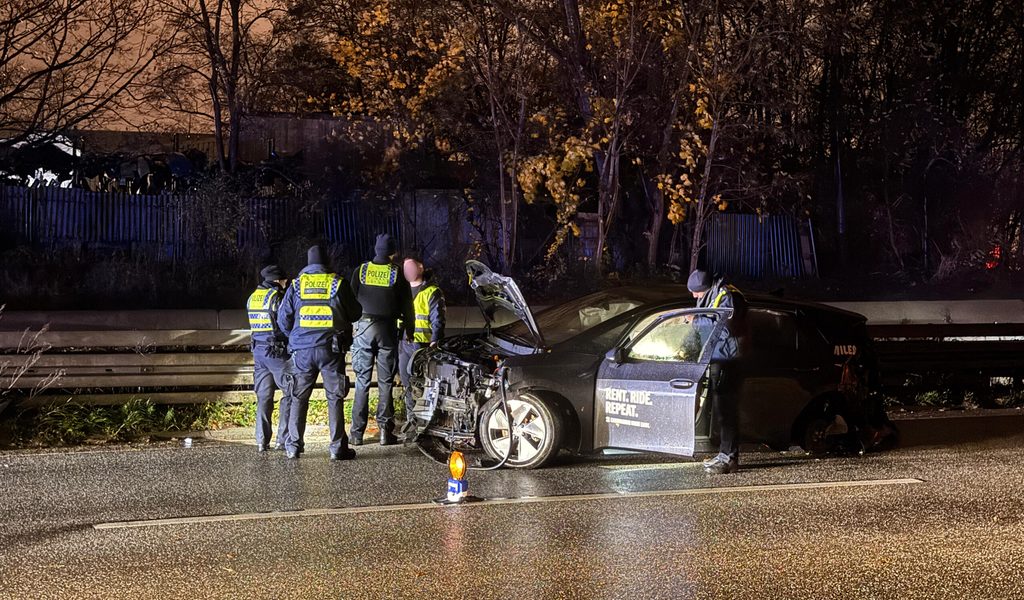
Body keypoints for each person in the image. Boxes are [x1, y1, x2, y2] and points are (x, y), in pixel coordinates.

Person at [277, 245, 362, 460]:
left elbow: (283, 319)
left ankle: (293, 446)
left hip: (302, 352)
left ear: (308, 263)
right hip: (331, 350)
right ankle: (337, 448)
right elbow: (355, 313)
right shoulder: (338, 283)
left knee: (298, 397)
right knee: (334, 398)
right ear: (327, 262)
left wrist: (296, 337)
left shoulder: (296, 285)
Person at [349, 233, 414, 446]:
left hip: (363, 329)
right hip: (387, 330)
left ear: (375, 250)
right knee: (385, 383)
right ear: (392, 253)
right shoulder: (396, 273)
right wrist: (409, 331)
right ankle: (386, 432)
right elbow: (407, 306)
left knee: (362, 382)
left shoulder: (361, 270)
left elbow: (350, 300)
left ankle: (357, 434)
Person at [687, 269, 748, 475]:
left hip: (729, 361)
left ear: (704, 288)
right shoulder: (711, 294)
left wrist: (695, 320)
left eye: (696, 293)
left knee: (727, 411)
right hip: (717, 358)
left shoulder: (725, 296)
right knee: (722, 412)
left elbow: (724, 328)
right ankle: (724, 453)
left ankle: (729, 458)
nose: (694, 296)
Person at [397, 255, 446, 438]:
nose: (407, 271)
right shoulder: (402, 292)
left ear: (421, 267)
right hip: (404, 344)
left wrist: (435, 340)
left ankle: (427, 426)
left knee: (425, 387)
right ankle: (412, 423)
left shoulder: (432, 291)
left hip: (424, 346)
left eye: (411, 267)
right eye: (405, 268)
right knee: (408, 385)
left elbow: (438, 318)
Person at [247, 264, 293, 453]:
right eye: (284, 280)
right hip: (276, 352)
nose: (286, 283)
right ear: (277, 281)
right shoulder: (277, 297)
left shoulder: (252, 297)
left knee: (264, 396)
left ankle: (261, 440)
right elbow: (284, 323)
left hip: (259, 351)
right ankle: (282, 440)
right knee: (290, 392)